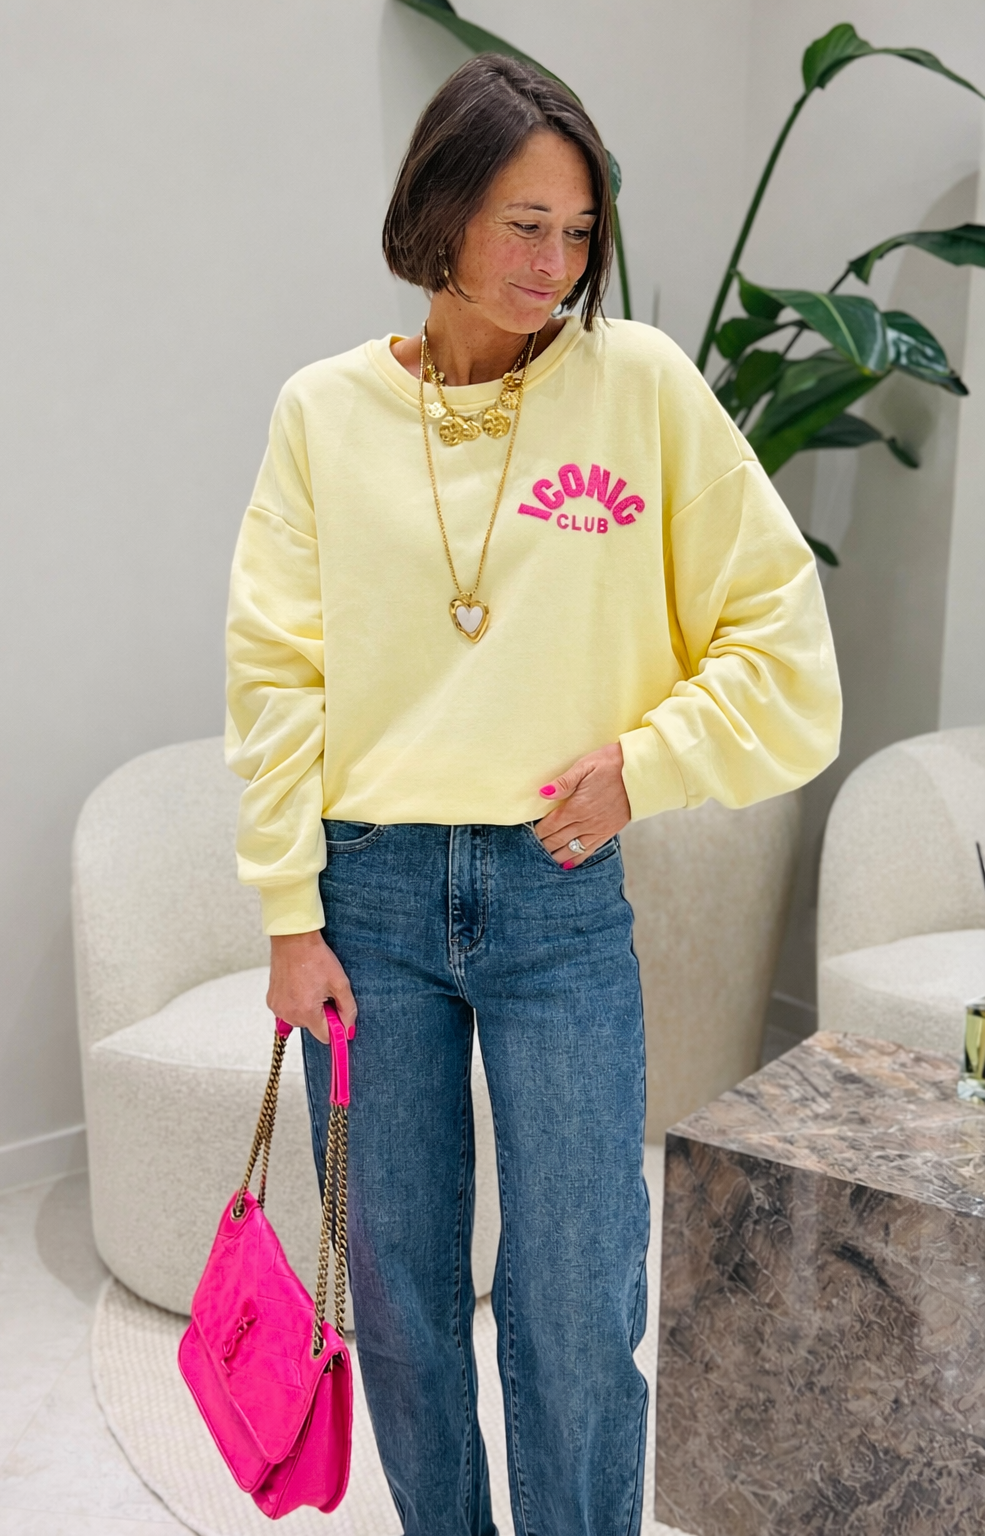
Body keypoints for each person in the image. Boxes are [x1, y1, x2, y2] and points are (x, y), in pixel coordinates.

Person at [225, 52, 841, 1536]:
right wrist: (289, 915)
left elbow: (784, 642)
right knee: (402, 1307)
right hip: (367, 904)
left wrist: (648, 763)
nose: (554, 265)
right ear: (439, 212)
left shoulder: (641, 386)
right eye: (522, 225)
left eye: (577, 232)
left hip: (556, 898)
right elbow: (276, 676)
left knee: (577, 1303)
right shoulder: (323, 412)